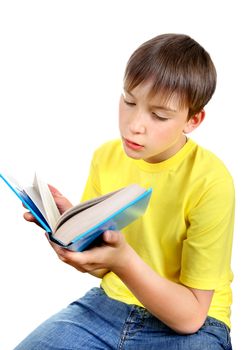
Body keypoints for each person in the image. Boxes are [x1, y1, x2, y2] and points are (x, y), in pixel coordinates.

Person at [15, 33, 234, 349]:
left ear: (193, 120)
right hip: (109, 305)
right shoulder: (106, 157)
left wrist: (123, 261)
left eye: (158, 115)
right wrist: (73, 229)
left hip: (193, 325)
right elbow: (104, 266)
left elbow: (190, 318)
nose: (134, 125)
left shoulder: (211, 181)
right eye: (129, 101)